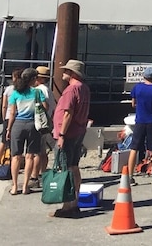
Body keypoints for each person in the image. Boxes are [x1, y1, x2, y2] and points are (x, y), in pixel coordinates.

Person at [50, 59, 90, 218]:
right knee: (74, 166)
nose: (63, 73)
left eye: (66, 70)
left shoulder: (71, 90)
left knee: (65, 168)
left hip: (68, 133)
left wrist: (61, 135)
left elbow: (68, 113)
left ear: (73, 73)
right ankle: (75, 201)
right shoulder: (85, 89)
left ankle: (67, 205)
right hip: (79, 131)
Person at [6, 68, 47, 195]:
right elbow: (45, 107)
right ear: (33, 79)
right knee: (30, 156)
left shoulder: (16, 93)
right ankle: (25, 186)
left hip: (18, 124)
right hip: (33, 125)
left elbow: (12, 113)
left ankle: (14, 186)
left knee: (16, 156)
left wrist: (8, 129)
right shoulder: (37, 92)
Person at [127, 66, 152, 186]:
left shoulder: (137, 88)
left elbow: (133, 104)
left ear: (144, 76)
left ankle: (130, 177)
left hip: (140, 120)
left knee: (134, 148)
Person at [33, 66, 57, 184]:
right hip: (47, 122)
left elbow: (44, 106)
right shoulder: (48, 90)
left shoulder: (39, 90)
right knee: (44, 152)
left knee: (38, 151)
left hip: (40, 123)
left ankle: (35, 176)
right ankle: (43, 173)